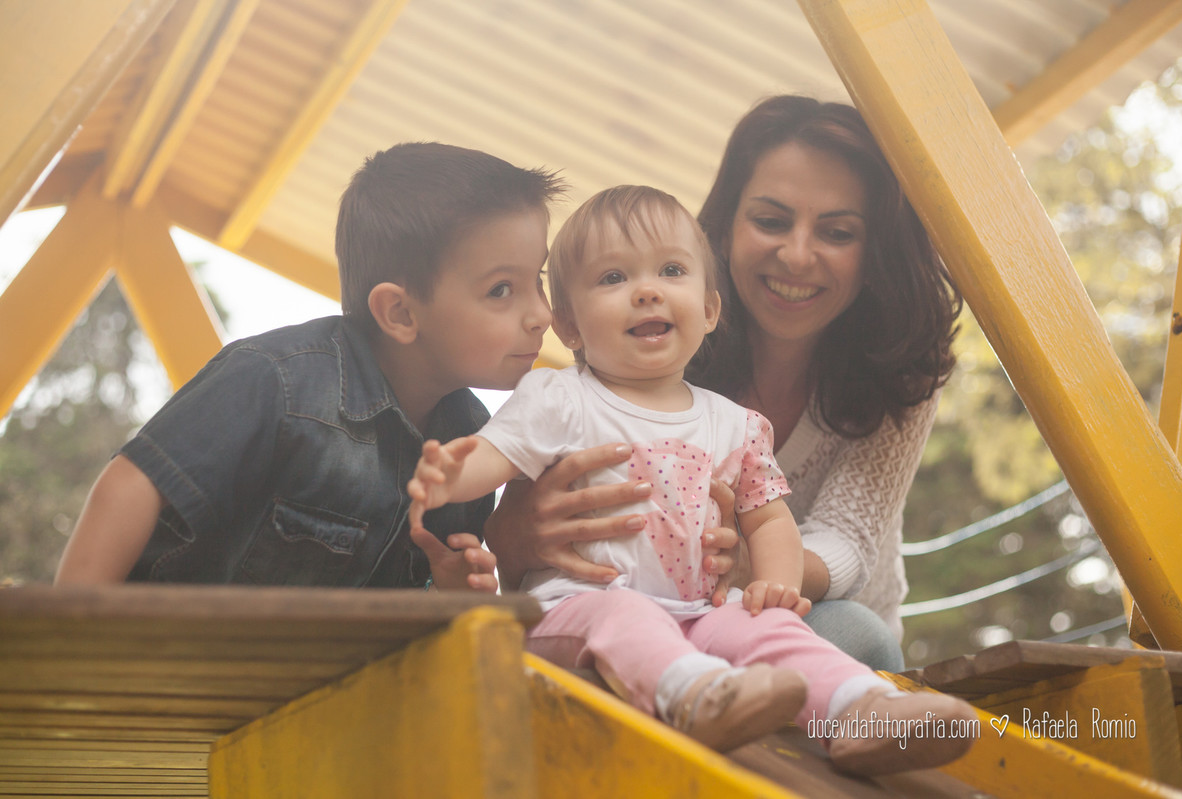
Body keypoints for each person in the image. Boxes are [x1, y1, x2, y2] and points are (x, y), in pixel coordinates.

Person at [408, 185, 974, 773]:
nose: (646, 289)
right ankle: (695, 695)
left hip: (697, 612)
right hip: (573, 611)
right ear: (570, 326)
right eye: (612, 279)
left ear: (708, 310)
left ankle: (863, 709)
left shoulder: (734, 424)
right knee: (624, 616)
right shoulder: (562, 398)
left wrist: (777, 591)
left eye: (671, 271)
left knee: (770, 633)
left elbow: (769, 516)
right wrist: (450, 475)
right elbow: (496, 453)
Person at [485, 97, 961, 672]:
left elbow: (849, 539)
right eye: (770, 221)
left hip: (804, 614)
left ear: (876, 249)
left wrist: (757, 566)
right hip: (634, 613)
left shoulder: (903, 366)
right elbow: (514, 535)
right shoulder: (650, 342)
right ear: (725, 229)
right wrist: (515, 534)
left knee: (852, 634)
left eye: (837, 232)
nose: (797, 254)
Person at [55, 142, 563, 592]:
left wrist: (454, 592)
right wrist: (71, 648)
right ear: (401, 313)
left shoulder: (473, 442)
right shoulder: (276, 379)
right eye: (502, 290)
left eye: (537, 281)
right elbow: (129, 486)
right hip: (167, 677)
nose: (542, 314)